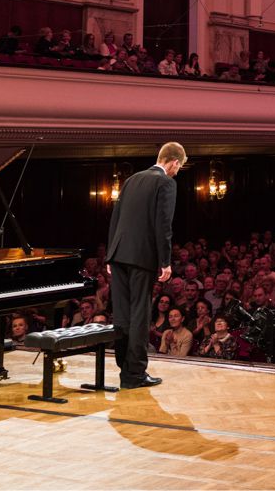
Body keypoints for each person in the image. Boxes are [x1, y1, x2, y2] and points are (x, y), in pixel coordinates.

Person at [106, 142, 185, 388]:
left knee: (122, 315)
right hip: (142, 257)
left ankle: (125, 370)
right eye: (179, 167)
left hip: (118, 254)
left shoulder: (132, 180)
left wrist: (110, 255)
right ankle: (136, 374)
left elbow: (115, 218)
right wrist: (165, 261)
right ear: (174, 162)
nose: (177, 172)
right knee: (140, 315)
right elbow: (163, 225)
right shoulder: (166, 183)